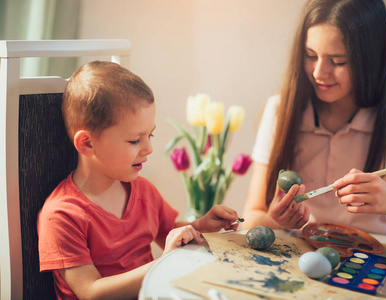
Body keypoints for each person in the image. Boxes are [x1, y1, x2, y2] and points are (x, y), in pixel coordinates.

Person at [243, 0, 386, 237]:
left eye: (338, 61)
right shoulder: (281, 109)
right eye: (311, 55)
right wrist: (273, 220)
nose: (319, 73)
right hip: (297, 255)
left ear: (370, 59)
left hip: (377, 259)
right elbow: (250, 217)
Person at [37, 61, 239, 300]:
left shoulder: (143, 191)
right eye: (135, 140)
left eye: (150, 135)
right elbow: (91, 292)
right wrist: (164, 263)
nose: (149, 149)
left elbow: (170, 235)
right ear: (87, 144)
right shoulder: (61, 215)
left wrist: (203, 226)